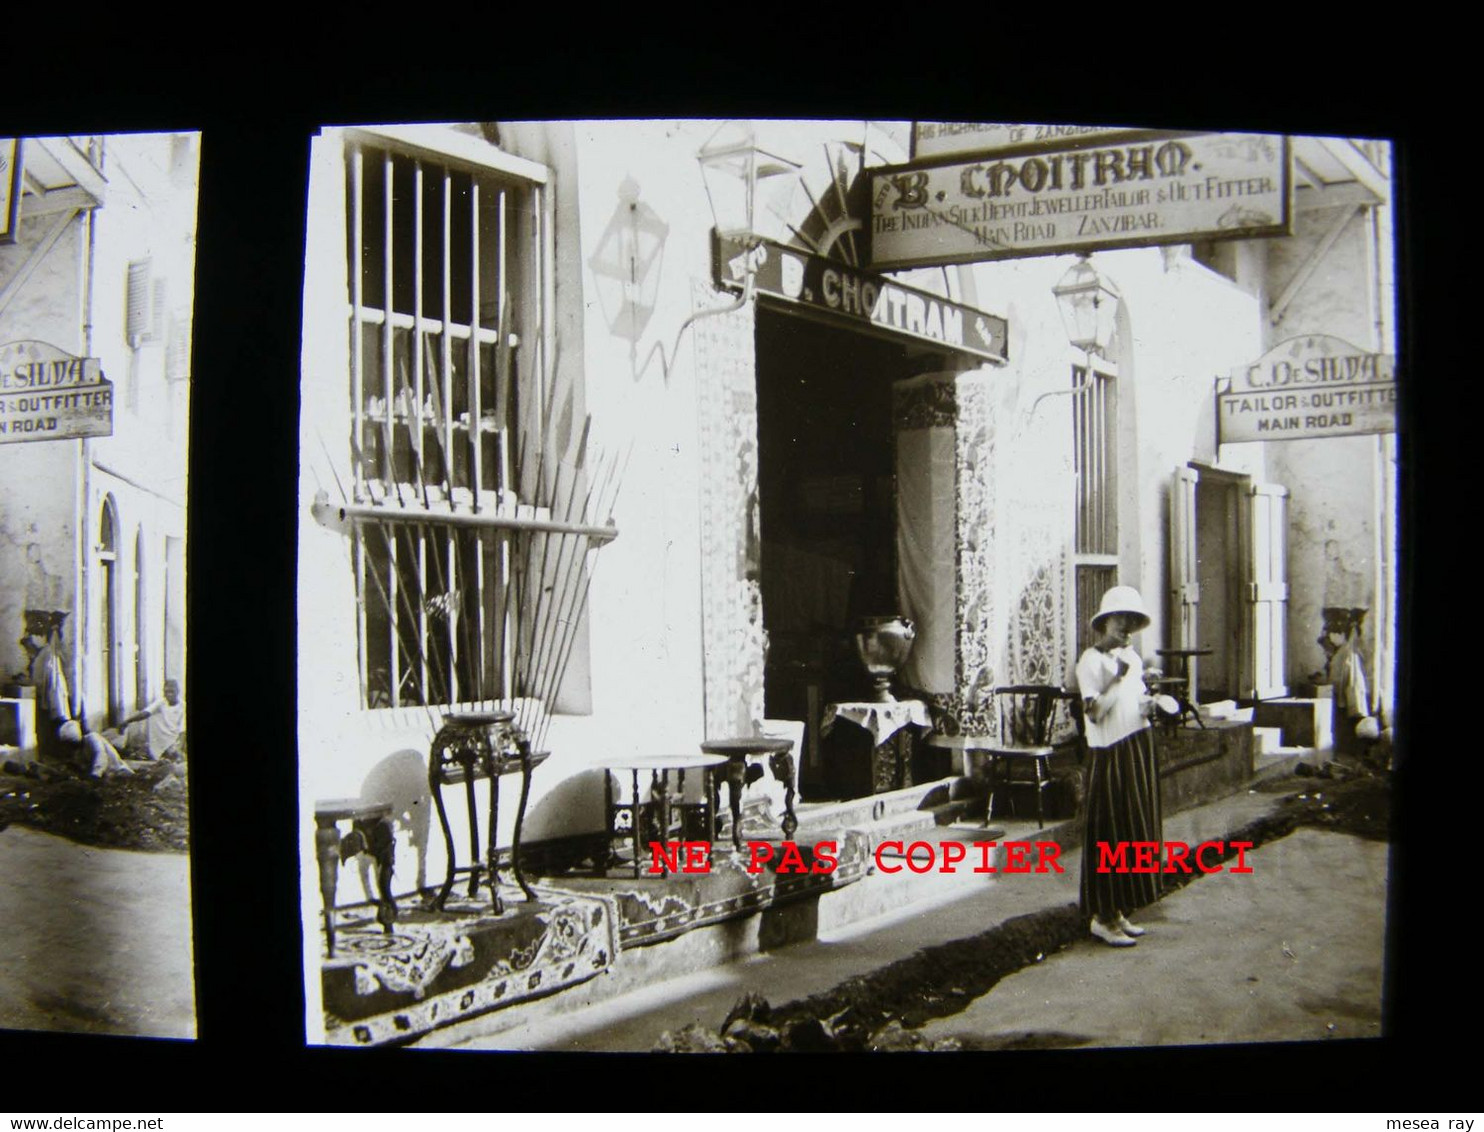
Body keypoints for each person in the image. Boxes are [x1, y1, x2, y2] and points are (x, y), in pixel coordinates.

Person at [1076, 585, 1163, 948]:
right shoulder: (1090, 662)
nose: (1125, 627)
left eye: (1132, 621)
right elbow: (1094, 713)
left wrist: (1150, 704)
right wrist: (1116, 677)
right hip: (1108, 752)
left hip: (1136, 746)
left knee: (1132, 830)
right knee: (1109, 833)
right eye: (1119, 619)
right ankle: (1102, 916)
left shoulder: (1133, 659)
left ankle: (1119, 909)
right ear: (1104, 622)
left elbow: (1134, 702)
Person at [18, 610, 131, 779]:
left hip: (116, 772)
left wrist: (94, 774)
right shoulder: (43, 656)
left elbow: (100, 760)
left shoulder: (92, 739)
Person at [108, 678, 185, 760]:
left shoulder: (183, 706)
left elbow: (182, 731)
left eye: (171, 692)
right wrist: (126, 722)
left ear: (177, 691)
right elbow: (145, 713)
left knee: (174, 756)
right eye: (166, 692)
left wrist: (178, 747)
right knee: (147, 717)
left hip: (174, 738)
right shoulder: (161, 702)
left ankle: (167, 752)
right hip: (161, 737)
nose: (169, 695)